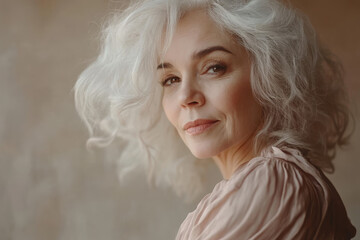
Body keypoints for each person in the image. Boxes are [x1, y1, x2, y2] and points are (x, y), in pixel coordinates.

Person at [74, 0, 356, 239]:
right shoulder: (268, 183)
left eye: (214, 68)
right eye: (170, 79)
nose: (186, 96)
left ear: (271, 76)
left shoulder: (273, 183)